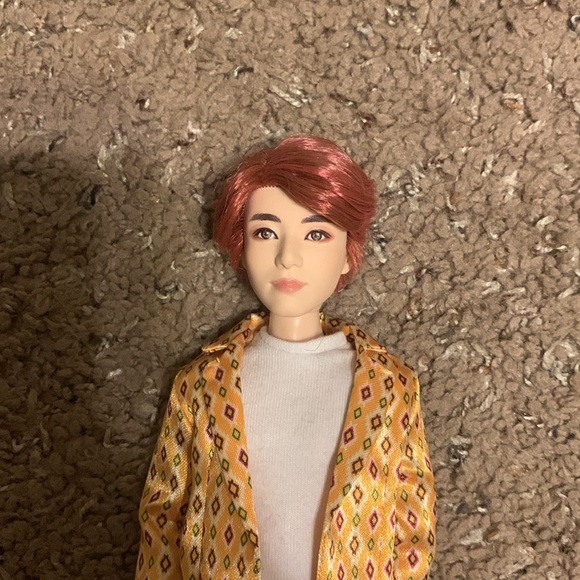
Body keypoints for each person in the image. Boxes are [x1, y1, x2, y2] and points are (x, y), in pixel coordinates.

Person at [135, 135, 436, 579]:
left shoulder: (390, 385)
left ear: (347, 255)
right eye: (265, 232)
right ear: (242, 248)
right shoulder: (202, 383)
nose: (288, 257)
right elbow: (163, 514)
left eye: (316, 234)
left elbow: (413, 518)